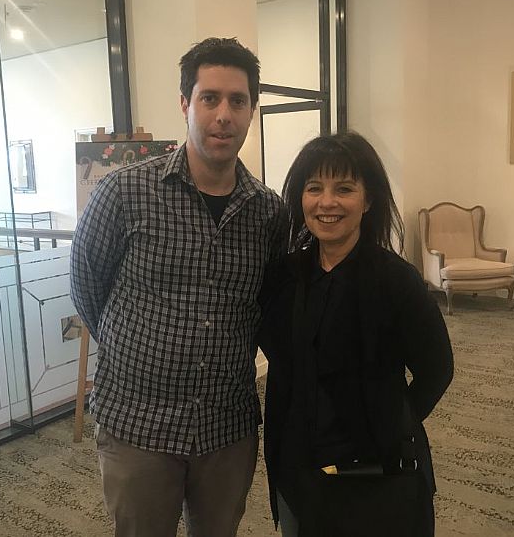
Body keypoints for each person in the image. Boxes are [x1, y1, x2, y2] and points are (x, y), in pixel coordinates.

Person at [69, 37, 285, 537]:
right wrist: (134, 348)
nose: (223, 115)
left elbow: (265, 304)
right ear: (185, 104)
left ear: (252, 110)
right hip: (138, 426)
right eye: (210, 98)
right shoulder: (124, 192)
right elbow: (87, 286)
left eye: (237, 101)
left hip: (226, 429)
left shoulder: (268, 212)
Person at [258, 131, 454, 536]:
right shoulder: (283, 277)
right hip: (297, 463)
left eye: (344, 189)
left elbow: (437, 370)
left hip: (375, 473)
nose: (327, 202)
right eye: (315, 188)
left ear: (368, 200)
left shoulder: (396, 281)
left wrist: (391, 422)